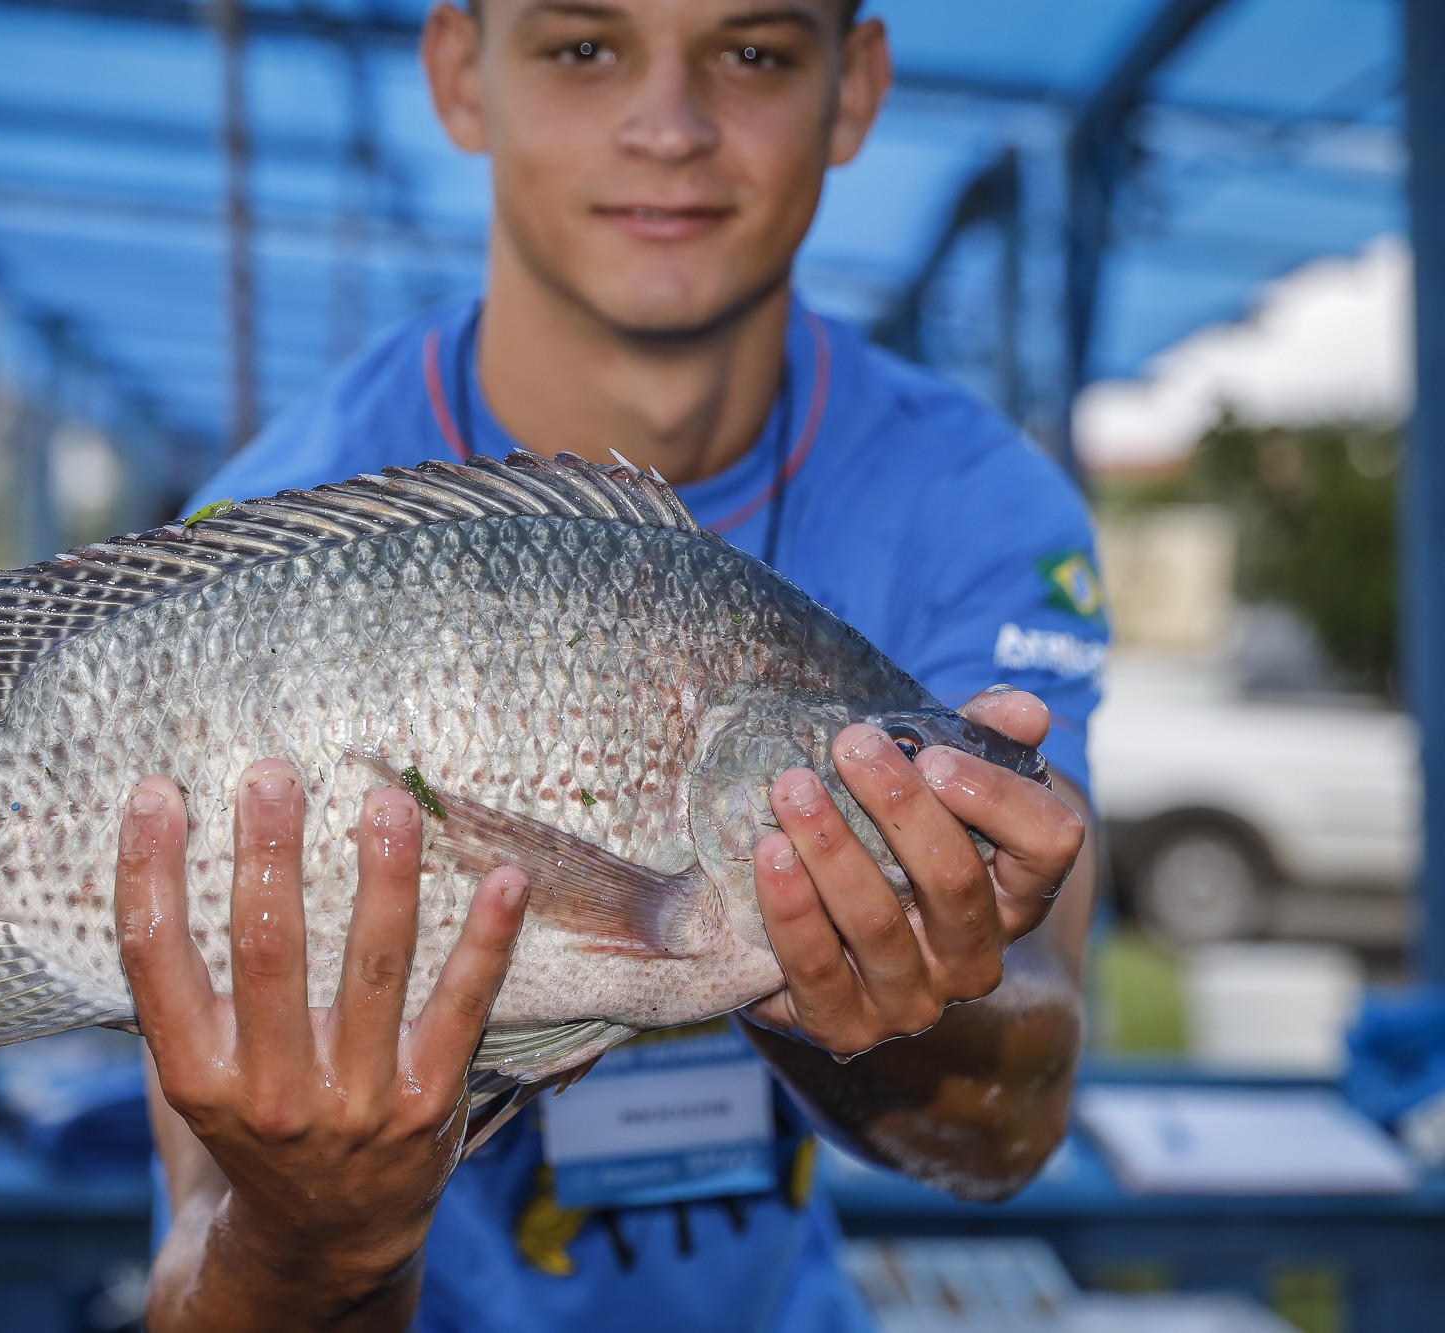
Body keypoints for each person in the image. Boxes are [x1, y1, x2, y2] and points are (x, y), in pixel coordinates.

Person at [116, 1, 1103, 1328]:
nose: (669, 128)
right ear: (462, 75)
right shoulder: (261, 548)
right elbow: (197, 1269)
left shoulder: (976, 504)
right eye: (583, 47)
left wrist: (838, 964)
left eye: (752, 53)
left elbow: (1020, 1113)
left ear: (855, 87)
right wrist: (312, 1238)